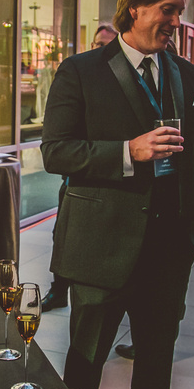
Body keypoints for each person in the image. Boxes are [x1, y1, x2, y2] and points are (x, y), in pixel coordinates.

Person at [42, 0, 194, 389]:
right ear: (135, 7)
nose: (176, 22)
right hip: (101, 246)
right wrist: (127, 152)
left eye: (180, 12)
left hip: (168, 250)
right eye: (168, 10)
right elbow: (56, 152)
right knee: (85, 359)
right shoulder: (81, 71)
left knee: (157, 359)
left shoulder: (185, 74)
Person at [44, 23, 119, 313]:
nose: (101, 50)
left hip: (109, 185)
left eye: (107, 45)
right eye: (97, 44)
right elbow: (59, 147)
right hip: (76, 178)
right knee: (62, 236)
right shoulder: (79, 74)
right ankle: (58, 289)